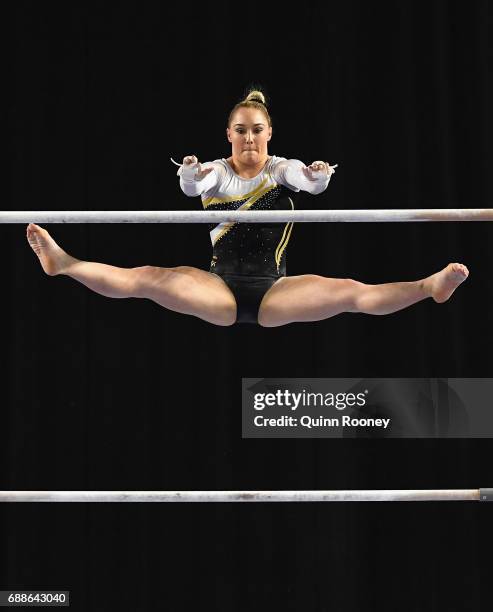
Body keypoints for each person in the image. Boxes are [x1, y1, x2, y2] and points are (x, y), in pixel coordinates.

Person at [26, 89, 468, 327]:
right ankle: (64, 264)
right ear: (229, 134)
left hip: (275, 291)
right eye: (241, 131)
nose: (250, 138)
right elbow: (191, 186)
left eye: (257, 130)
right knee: (148, 278)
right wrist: (192, 174)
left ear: (269, 132)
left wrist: (316, 174)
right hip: (218, 290)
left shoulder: (280, 169)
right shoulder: (217, 172)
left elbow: (308, 183)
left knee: (351, 291)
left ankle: (428, 287)